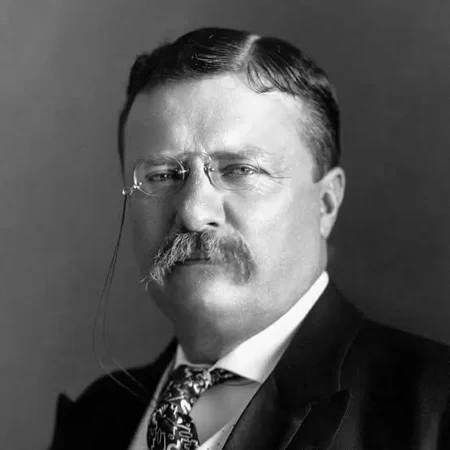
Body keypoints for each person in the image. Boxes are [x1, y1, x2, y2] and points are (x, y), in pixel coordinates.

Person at [49, 27, 450, 450]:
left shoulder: (434, 411)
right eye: (163, 175)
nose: (194, 213)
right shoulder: (98, 416)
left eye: (240, 170)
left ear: (326, 203)